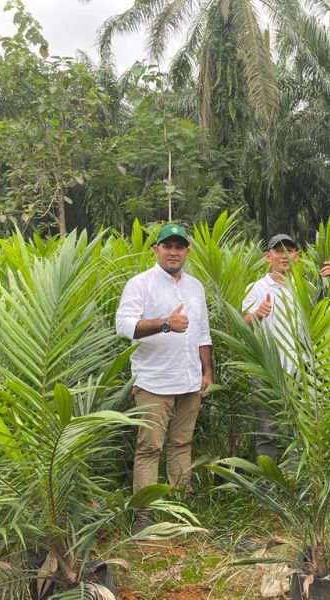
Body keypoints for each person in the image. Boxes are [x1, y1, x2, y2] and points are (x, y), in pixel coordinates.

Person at [115, 223, 213, 532]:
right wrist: (166, 325)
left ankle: (181, 505)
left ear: (187, 251)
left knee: (182, 444)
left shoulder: (196, 286)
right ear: (155, 249)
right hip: (154, 382)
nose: (173, 251)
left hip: (189, 381)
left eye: (179, 246)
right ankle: (144, 514)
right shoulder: (139, 284)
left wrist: (207, 371)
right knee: (149, 448)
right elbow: (124, 327)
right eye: (167, 245)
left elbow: (203, 332)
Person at [242, 233, 330, 461]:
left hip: (300, 371)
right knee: (267, 432)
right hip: (267, 370)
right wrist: (257, 314)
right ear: (267, 256)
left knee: (300, 432)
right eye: (279, 251)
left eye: (290, 251)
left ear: (297, 256)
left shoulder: (306, 288)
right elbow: (242, 327)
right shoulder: (256, 288)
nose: (285, 256)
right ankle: (268, 484)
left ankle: (296, 484)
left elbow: (326, 314)